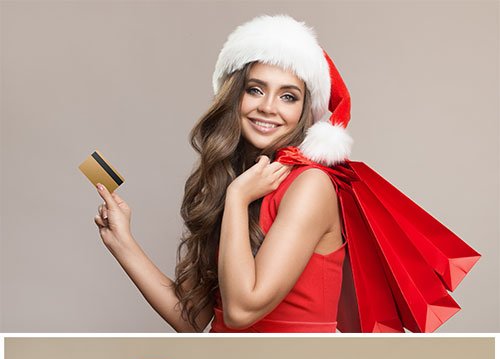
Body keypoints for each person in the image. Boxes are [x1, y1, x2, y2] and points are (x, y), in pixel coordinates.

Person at [92, 14, 480, 336]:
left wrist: (237, 199)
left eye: (288, 96)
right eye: (256, 90)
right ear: (234, 97)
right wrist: (122, 242)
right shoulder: (239, 181)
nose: (269, 108)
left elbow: (244, 310)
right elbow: (194, 321)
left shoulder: (311, 185)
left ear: (306, 110)